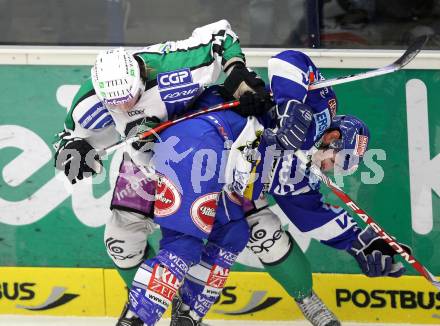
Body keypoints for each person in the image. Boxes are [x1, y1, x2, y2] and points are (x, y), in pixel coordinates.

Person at [169, 50, 408, 326]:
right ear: (333, 137)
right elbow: (287, 59)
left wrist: (360, 244)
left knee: (264, 234)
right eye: (340, 160)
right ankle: (152, 307)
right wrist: (291, 105)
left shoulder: (303, 175)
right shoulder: (322, 108)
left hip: (229, 185)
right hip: (202, 143)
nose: (333, 168)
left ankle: (306, 303)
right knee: (138, 231)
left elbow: (313, 217)